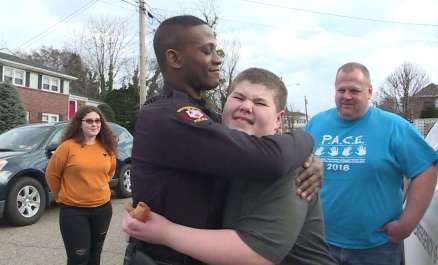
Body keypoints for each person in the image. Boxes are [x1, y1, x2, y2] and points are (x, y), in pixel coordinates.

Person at [125, 15, 322, 265]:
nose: (218, 59)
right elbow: (270, 159)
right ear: (175, 58)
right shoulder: (169, 116)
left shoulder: (204, 116)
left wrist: (311, 158)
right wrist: (306, 138)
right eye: (207, 51)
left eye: (260, 102)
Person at [305, 62, 438, 265]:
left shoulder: (394, 126)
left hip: (376, 248)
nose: (347, 96)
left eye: (354, 90)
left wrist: (407, 223)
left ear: (369, 91)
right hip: (321, 243)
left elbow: (427, 170)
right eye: (341, 90)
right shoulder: (316, 124)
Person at [45, 106, 117, 265]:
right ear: (80, 124)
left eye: (97, 121)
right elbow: (52, 174)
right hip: (74, 212)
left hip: (102, 209)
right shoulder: (67, 147)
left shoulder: (107, 146)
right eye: (89, 121)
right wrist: (59, 195)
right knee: (79, 257)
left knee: (95, 255)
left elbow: (110, 172)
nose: (94, 124)